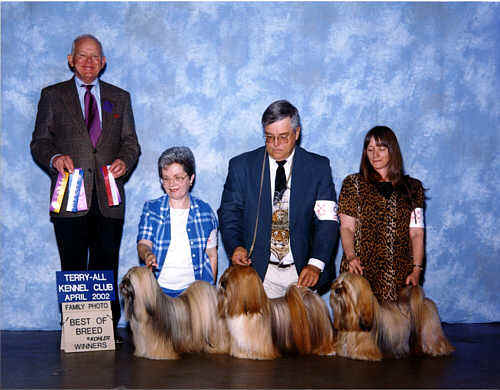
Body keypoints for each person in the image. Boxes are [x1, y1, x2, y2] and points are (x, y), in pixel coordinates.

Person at [30, 34, 141, 331]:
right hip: (69, 196)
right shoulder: (52, 96)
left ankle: (104, 329)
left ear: (103, 62)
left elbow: (131, 143)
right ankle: (75, 329)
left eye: (95, 56)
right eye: (82, 56)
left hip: (109, 197)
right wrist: (54, 158)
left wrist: (124, 161)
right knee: (73, 266)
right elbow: (39, 142)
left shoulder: (120, 98)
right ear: (71, 60)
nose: (89, 62)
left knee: (106, 266)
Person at [218, 100, 339, 298]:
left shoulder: (318, 168)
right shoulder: (241, 166)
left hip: (303, 273)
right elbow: (229, 213)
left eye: (283, 137)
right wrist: (236, 246)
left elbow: (327, 222)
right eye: (269, 137)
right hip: (259, 275)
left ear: (297, 133)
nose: (275, 145)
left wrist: (316, 263)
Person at [338, 126, 425, 303]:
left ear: (392, 151)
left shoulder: (413, 188)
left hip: (399, 275)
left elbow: (416, 233)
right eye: (370, 150)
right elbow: (346, 227)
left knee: (399, 328)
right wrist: (350, 256)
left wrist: (416, 270)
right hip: (359, 271)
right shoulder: (352, 184)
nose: (374, 155)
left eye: (381, 149)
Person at [137, 146, 218, 297]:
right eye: (166, 178)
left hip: (195, 294)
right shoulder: (151, 209)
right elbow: (143, 243)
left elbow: (212, 255)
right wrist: (147, 254)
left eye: (178, 177)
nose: (171, 184)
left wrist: (209, 294)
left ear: (191, 178)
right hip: (158, 291)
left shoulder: (206, 212)